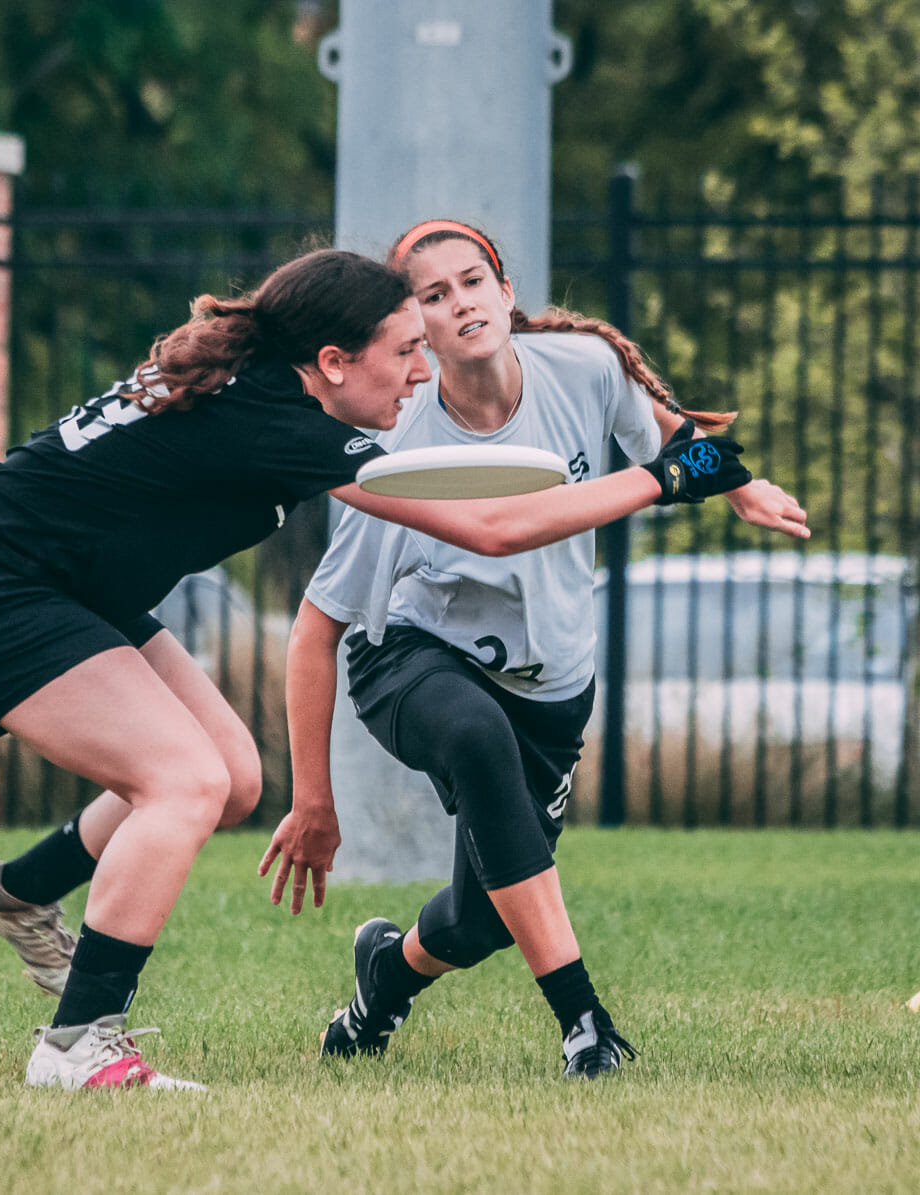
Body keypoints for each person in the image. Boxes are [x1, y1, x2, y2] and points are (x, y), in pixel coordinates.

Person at [0, 247, 751, 1092]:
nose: (422, 372)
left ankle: (19, 892)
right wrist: (668, 477)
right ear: (335, 362)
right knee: (186, 781)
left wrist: (721, 473)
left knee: (232, 777)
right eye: (405, 350)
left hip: (71, 583)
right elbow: (491, 527)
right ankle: (78, 1043)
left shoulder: (269, 382)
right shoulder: (281, 419)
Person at [257, 221, 809, 1080]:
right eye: (433, 297)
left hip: (552, 685)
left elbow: (672, 440)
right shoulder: (400, 445)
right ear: (417, 334)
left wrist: (740, 486)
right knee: (474, 735)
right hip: (412, 658)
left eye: (473, 281)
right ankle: (585, 1023)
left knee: (479, 922)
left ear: (506, 293)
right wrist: (313, 800)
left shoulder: (585, 369)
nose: (460, 303)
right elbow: (317, 628)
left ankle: (384, 976)